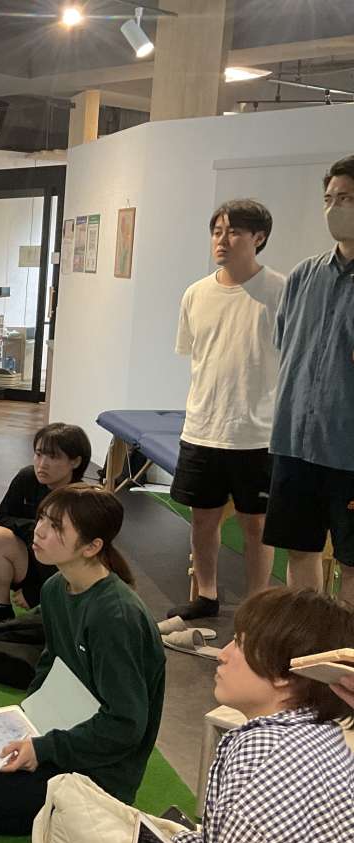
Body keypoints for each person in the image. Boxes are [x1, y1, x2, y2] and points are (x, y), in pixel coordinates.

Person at [122, 587, 354, 843]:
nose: (223, 654)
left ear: (284, 674)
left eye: (240, 644)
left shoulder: (266, 774)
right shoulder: (314, 738)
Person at [0, 485, 166, 835]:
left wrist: (44, 748)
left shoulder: (114, 616)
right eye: (43, 518)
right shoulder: (55, 589)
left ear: (92, 547)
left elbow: (126, 725)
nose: (40, 530)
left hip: (99, 774)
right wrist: (24, 722)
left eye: (57, 526)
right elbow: (50, 665)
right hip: (59, 738)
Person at [167, 199, 284, 621]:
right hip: (203, 427)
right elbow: (196, 355)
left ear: (259, 237)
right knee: (203, 519)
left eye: (234, 232)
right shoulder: (196, 294)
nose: (222, 240)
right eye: (217, 231)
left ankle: (256, 603)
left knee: (256, 525)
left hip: (258, 432)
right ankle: (207, 594)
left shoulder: (280, 291)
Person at [265, 154, 354, 604]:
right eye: (329, 198)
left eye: (347, 198)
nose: (334, 208)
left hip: (349, 451)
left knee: (353, 561)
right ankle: (304, 639)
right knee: (300, 550)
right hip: (295, 443)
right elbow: (286, 344)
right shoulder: (304, 275)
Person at [0, 422, 92, 625]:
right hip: (33, 559)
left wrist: (35, 592)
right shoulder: (27, 478)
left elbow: (79, 560)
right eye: (38, 454)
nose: (42, 464)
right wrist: (36, 530)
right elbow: (1, 517)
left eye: (53, 457)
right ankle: (0, 609)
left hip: (68, 577)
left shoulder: (82, 500)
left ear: (75, 462)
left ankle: (52, 607)